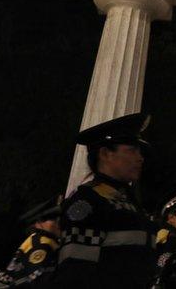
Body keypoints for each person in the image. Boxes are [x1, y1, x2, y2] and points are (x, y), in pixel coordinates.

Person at [53, 113, 158, 288]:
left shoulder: (128, 202)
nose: (140, 158)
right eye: (132, 150)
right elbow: (75, 275)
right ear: (105, 154)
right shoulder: (89, 202)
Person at [0, 195, 63, 288]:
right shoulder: (42, 243)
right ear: (38, 223)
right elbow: (37, 281)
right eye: (52, 219)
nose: (58, 223)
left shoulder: (36, 240)